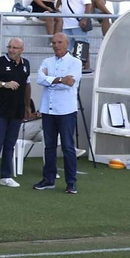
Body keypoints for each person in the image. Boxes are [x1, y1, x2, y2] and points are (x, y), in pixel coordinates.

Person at [33, 32, 80, 193]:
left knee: (67, 146)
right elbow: (39, 79)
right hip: (48, 110)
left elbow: (70, 83)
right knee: (49, 146)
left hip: (66, 110)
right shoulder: (47, 61)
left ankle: (71, 182)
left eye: (59, 42)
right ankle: (49, 179)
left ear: (67, 44)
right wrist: (60, 79)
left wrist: (50, 80)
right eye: (53, 42)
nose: (56, 45)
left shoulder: (75, 63)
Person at [0, 37, 29, 186]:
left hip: (17, 110)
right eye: (9, 47)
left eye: (15, 48)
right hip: (0, 109)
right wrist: (3, 84)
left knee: (10, 144)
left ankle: (6, 176)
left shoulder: (25, 64)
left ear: (21, 50)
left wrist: (27, 106)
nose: (11, 50)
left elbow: (27, 85)